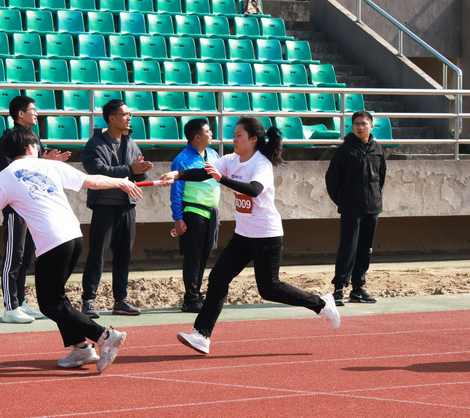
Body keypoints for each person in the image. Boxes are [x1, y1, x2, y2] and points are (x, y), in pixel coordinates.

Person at [0, 125, 144, 372]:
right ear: (31, 147)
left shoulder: (3, 178)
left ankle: (105, 335)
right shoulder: (50, 165)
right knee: (57, 298)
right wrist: (121, 181)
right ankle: (81, 349)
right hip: (74, 237)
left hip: (52, 243)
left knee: (51, 304)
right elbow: (93, 181)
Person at [159, 117, 340, 355]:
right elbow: (204, 173)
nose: (233, 139)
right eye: (233, 135)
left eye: (239, 135)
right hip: (243, 235)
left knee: (269, 288)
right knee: (218, 279)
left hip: (266, 234)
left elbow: (254, 190)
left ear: (253, 139)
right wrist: (177, 175)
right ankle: (202, 335)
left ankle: (321, 303)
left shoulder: (260, 164)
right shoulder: (230, 160)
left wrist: (222, 180)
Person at [0, 95, 71, 324]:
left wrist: (49, 163)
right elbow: (12, 173)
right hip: (16, 207)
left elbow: (37, 171)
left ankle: (21, 302)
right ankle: (10, 307)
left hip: (34, 208)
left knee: (26, 257)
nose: (36, 113)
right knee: (13, 257)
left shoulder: (34, 138)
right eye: (32, 109)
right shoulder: (7, 140)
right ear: (20, 113)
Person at [80, 99, 154, 318]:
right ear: (112, 118)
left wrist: (142, 170)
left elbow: (140, 173)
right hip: (105, 205)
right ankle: (88, 301)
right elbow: (98, 171)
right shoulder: (94, 144)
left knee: (123, 255)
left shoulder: (130, 142)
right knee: (97, 255)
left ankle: (120, 300)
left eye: (130, 114)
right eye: (125, 114)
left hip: (127, 205)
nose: (129, 118)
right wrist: (131, 169)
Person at [325, 110, 386, 306]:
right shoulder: (344, 150)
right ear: (352, 127)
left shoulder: (378, 149)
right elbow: (332, 179)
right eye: (356, 124)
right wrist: (343, 201)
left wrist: (373, 197)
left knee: (365, 249)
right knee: (348, 248)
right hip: (351, 208)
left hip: (372, 207)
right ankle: (338, 288)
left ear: (371, 126)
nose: (360, 127)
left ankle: (358, 288)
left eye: (364, 123)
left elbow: (381, 177)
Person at [170, 119, 221, 313]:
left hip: (212, 213)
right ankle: (190, 298)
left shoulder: (214, 154)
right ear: (197, 136)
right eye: (208, 131)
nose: (211, 133)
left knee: (204, 255)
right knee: (193, 257)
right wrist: (178, 217)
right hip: (193, 213)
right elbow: (176, 191)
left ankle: (197, 294)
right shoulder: (182, 159)